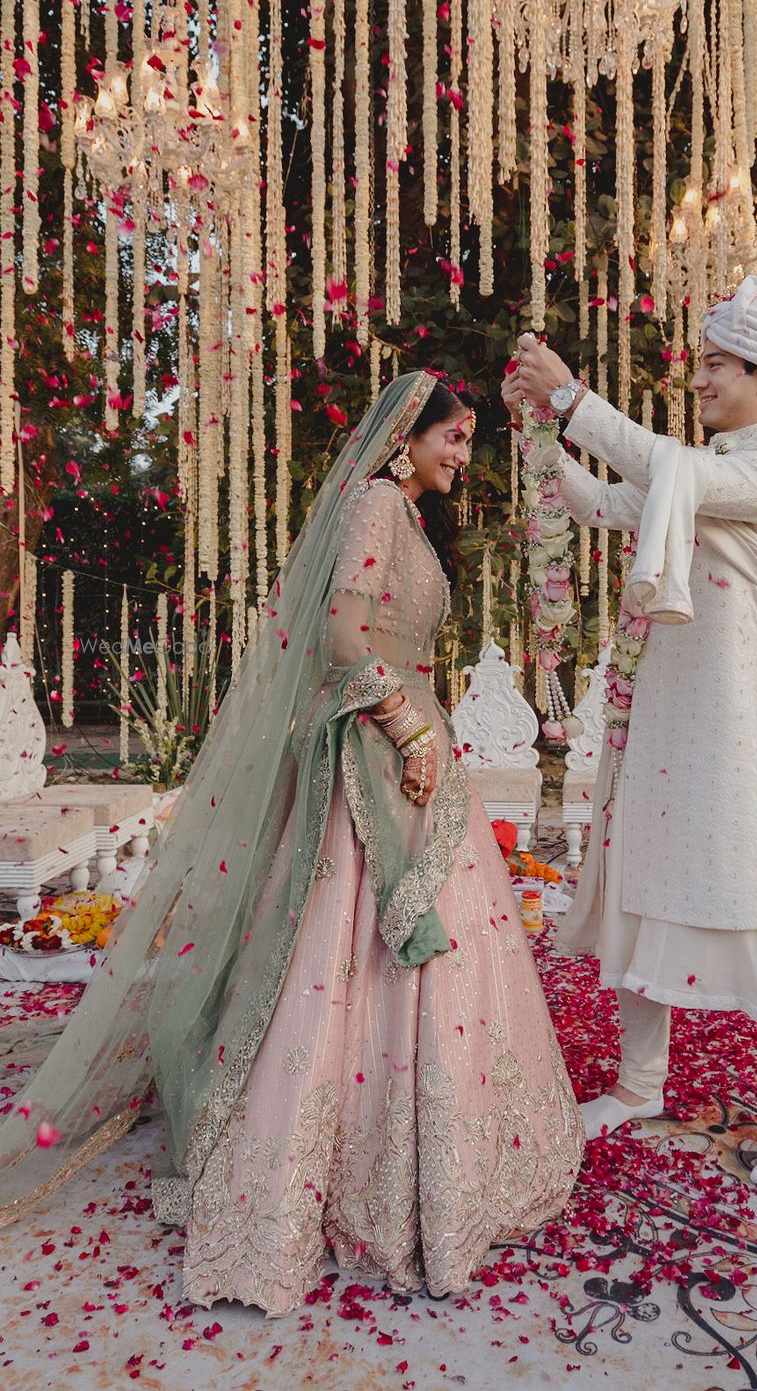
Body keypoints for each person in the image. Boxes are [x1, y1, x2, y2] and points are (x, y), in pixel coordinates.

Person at [0, 372, 583, 1314]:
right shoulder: (374, 503)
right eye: (455, 436)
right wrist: (409, 726)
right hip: (375, 752)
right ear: (408, 435)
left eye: (472, 440)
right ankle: (331, 1169)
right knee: (344, 946)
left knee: (416, 946)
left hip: (407, 747)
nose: (462, 455)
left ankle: (434, 1160)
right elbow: (346, 635)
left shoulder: (404, 513)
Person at [502, 277, 757, 1196]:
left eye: (715, 363)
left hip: (722, 720)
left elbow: (661, 466)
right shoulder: (692, 471)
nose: (697, 377)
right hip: (654, 709)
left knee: (736, 897)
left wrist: (575, 398)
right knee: (639, 886)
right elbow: (595, 499)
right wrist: (537, 423)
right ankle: (639, 1083)